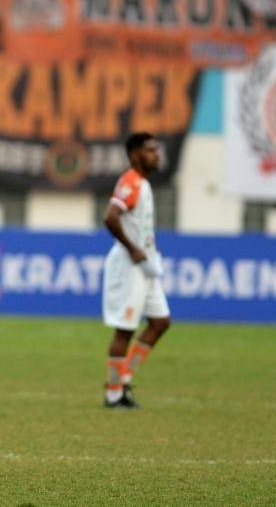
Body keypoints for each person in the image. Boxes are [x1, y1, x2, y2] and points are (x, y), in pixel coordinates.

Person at [101, 133, 172, 409]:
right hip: (129, 265)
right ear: (134, 155)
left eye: (157, 150)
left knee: (160, 322)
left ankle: (124, 377)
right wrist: (132, 248)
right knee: (125, 330)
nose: (156, 155)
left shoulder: (143, 184)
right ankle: (114, 393)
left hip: (145, 266)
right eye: (150, 150)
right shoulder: (130, 180)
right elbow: (110, 216)